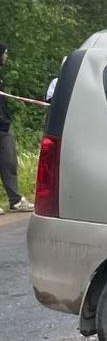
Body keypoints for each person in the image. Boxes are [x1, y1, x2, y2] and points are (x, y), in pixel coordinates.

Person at [0, 43, 34, 213]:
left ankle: (15, 200)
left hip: (4, 126)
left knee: (9, 162)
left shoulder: (1, 76)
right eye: (5, 53)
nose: (6, 57)